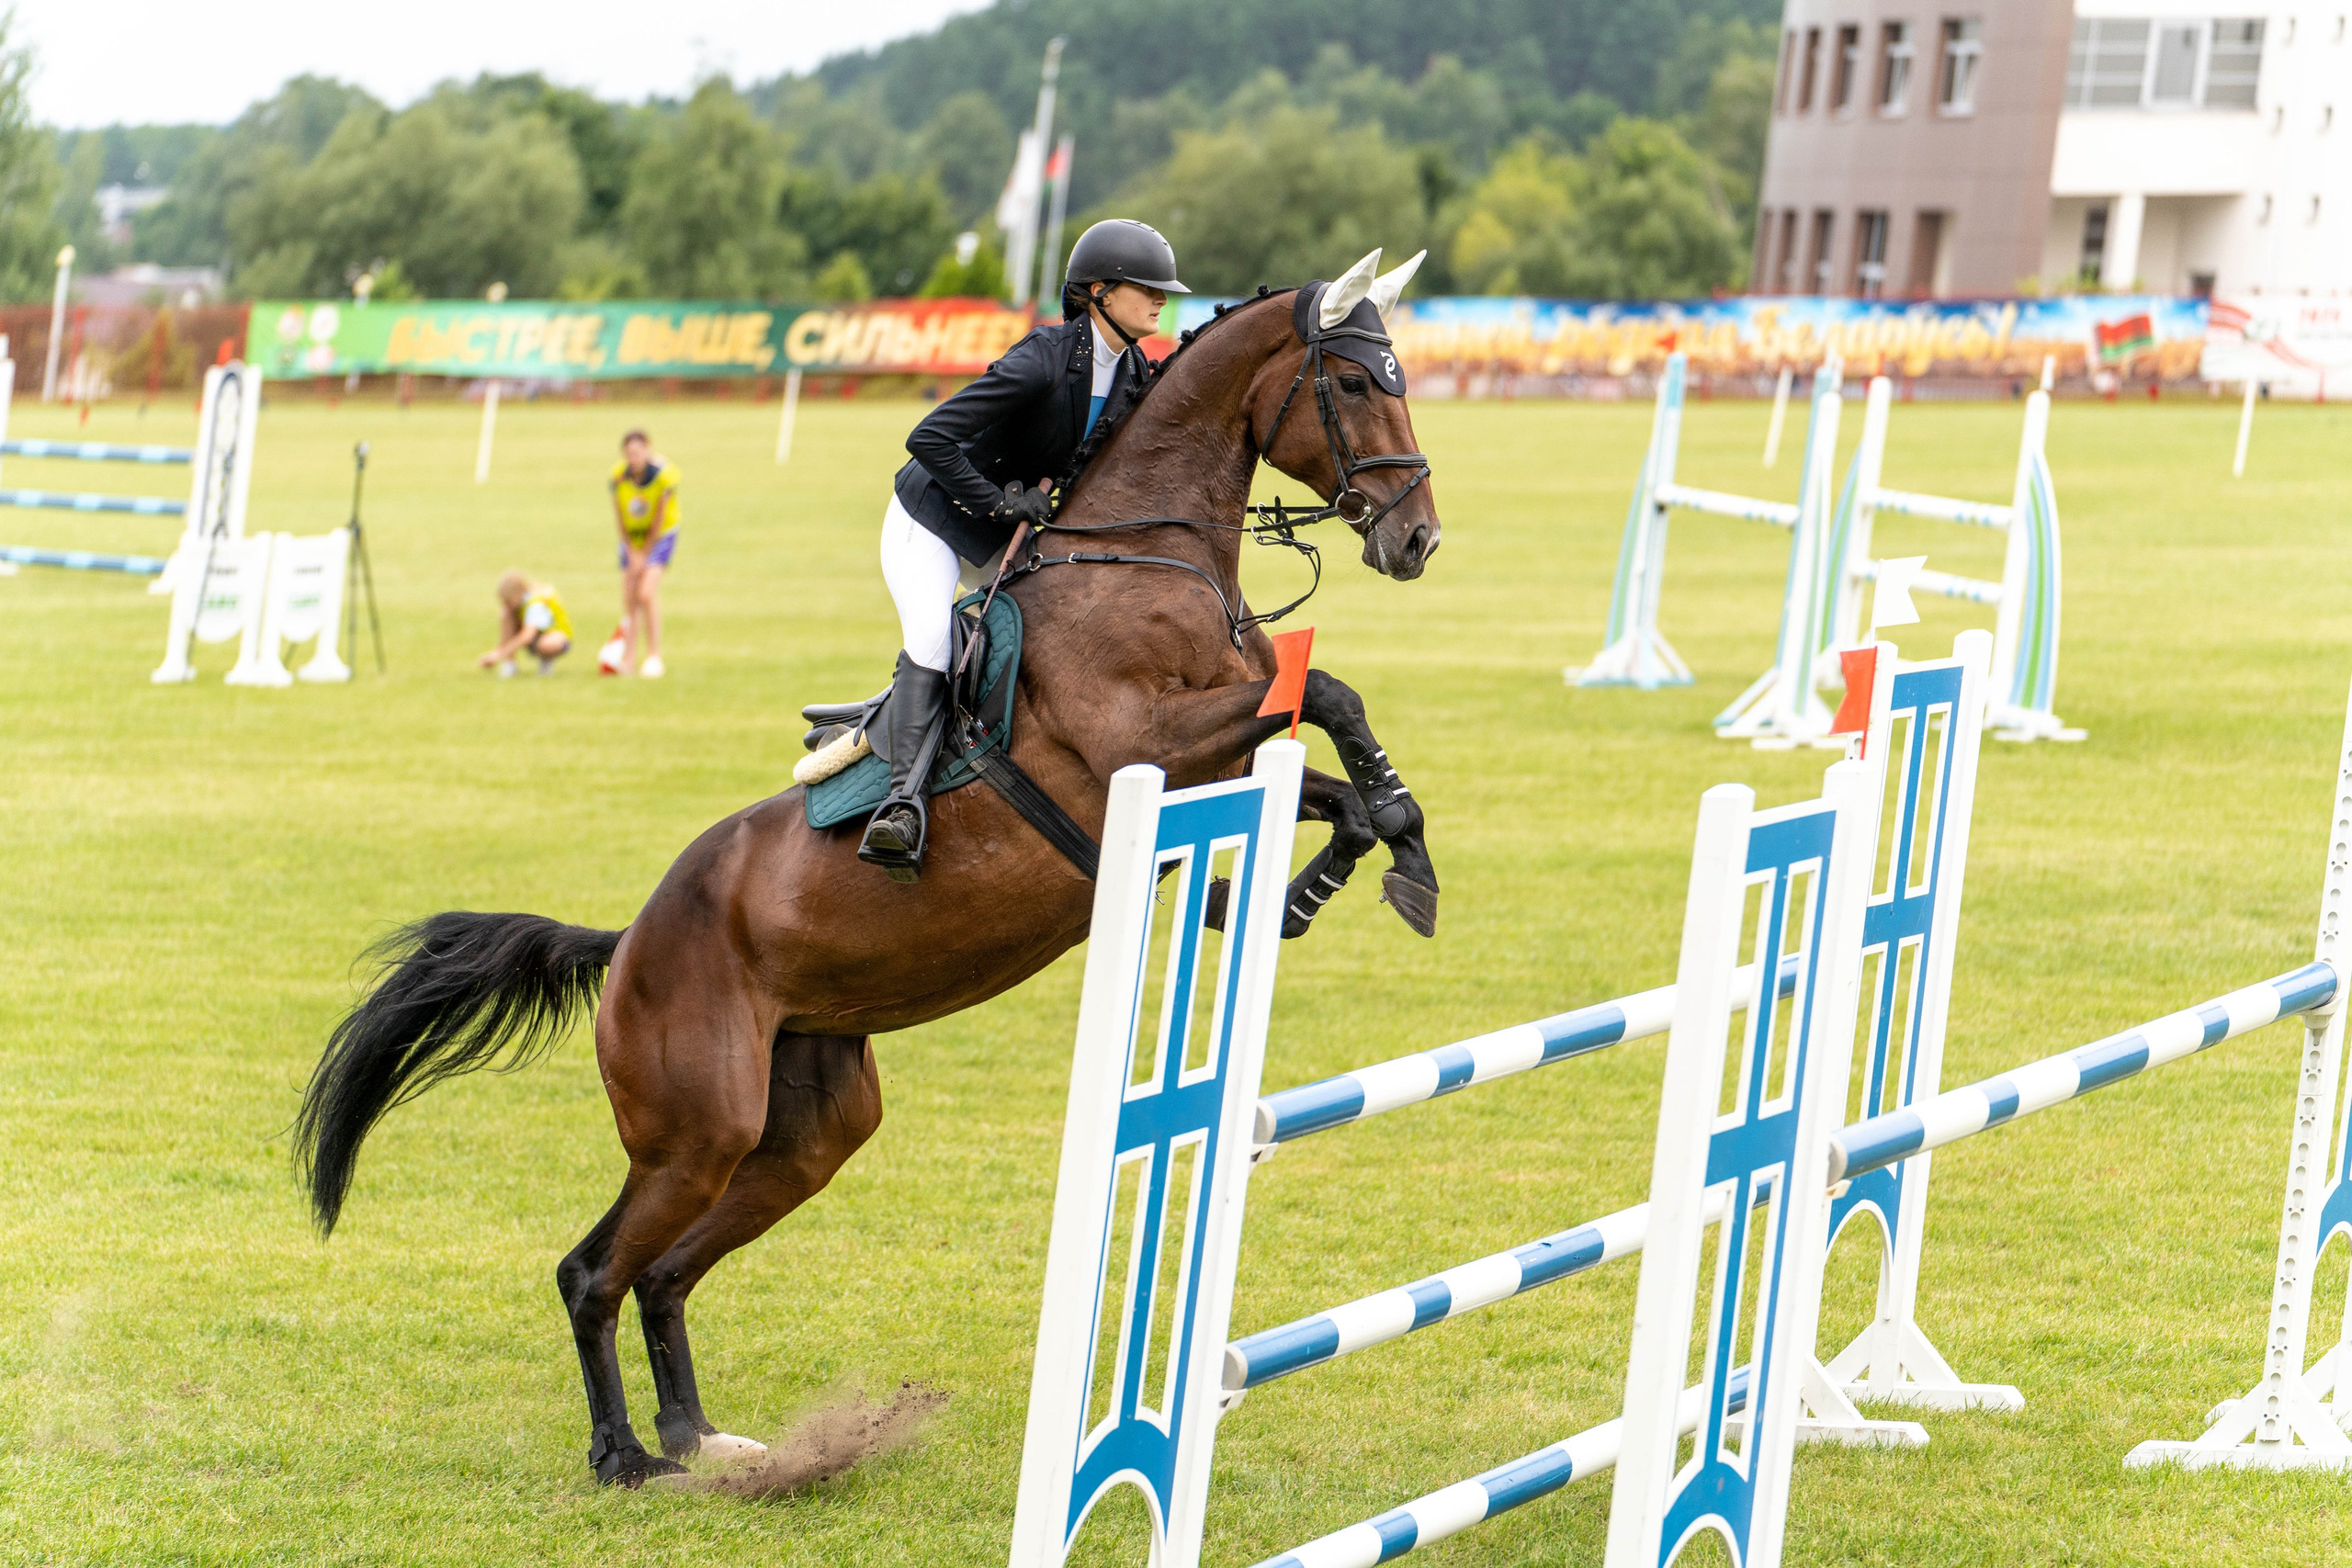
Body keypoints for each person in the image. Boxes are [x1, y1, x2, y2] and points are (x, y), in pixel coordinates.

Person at [855, 219, 1188, 882]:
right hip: (931, 517)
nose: (1159, 299)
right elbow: (929, 437)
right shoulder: (1041, 358)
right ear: (1099, 292)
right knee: (933, 643)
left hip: (1002, 531)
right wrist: (1002, 500)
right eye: (1146, 288)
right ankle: (900, 808)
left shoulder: (1132, 374)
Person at [606, 429, 678, 679]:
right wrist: (631, 551)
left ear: (647, 450)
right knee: (630, 598)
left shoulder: (663, 477)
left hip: (659, 537)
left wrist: (644, 554)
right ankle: (628, 658)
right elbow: (619, 516)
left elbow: (659, 518)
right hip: (631, 539)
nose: (633, 458)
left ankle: (653, 656)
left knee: (646, 593)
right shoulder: (618, 477)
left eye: (638, 452)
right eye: (629, 454)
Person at [479, 570, 573, 677]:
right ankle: (509, 665)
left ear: (519, 592)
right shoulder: (521, 603)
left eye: (509, 602)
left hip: (557, 638)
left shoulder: (536, 604)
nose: (507, 605)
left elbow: (527, 636)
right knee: (506, 614)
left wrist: (497, 654)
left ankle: (546, 664)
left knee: (546, 644)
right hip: (536, 636)